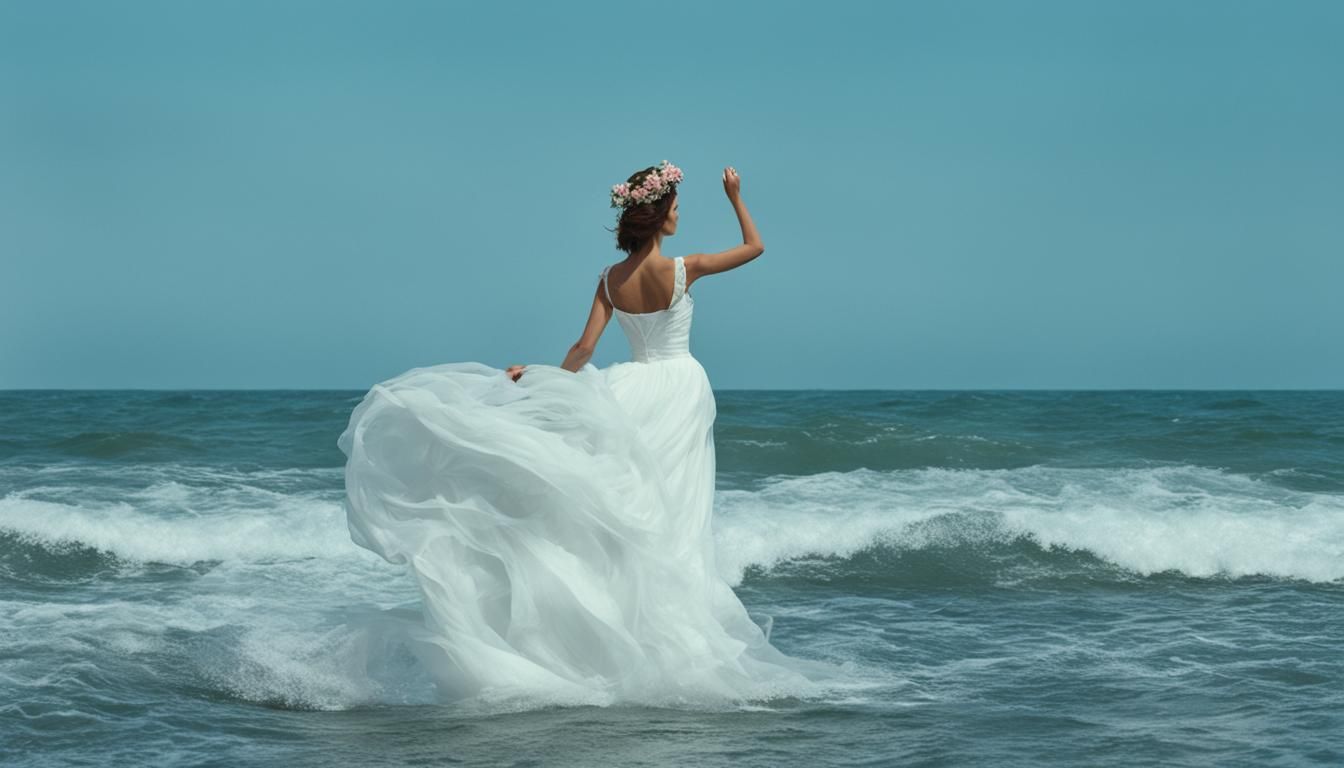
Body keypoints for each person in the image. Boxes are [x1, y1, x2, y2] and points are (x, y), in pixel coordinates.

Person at [337, 161, 836, 705]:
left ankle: (600, 631)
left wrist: (538, 380)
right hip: (681, 390)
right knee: (670, 512)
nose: (678, 215)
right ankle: (662, 634)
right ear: (659, 216)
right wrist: (736, 196)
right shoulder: (683, 270)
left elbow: (583, 349)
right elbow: (755, 246)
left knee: (617, 502)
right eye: (675, 207)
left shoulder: (608, 279)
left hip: (631, 386)